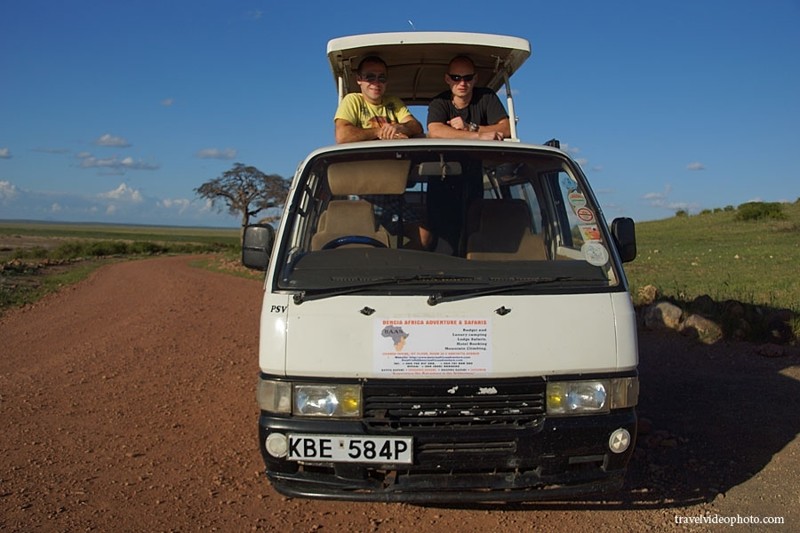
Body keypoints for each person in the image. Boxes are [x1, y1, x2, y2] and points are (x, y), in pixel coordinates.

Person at [334, 56, 423, 143]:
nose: (376, 83)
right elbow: (342, 135)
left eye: (382, 78)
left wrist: (399, 128)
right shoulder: (352, 100)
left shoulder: (393, 102)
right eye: (370, 77)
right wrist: (379, 132)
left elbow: (417, 127)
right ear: (359, 79)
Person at [427, 55, 511, 140]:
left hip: (483, 152)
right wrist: (478, 136)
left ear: (475, 79)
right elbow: (435, 131)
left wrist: (471, 127)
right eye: (456, 78)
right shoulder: (439, 102)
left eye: (468, 78)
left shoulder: (487, 97)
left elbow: (507, 128)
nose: (462, 83)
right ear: (447, 79)